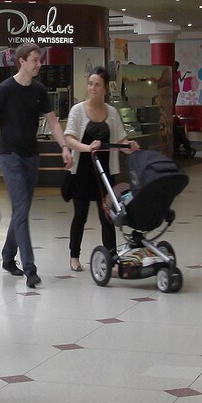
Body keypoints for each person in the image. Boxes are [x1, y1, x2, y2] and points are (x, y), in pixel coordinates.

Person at [0, 43, 76, 289]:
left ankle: (7, 256)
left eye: (39, 60)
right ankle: (30, 268)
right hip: (9, 155)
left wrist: (64, 146)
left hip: (31, 155)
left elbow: (54, 123)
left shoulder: (39, 90)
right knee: (22, 207)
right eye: (35, 60)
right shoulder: (5, 90)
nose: (39, 64)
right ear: (21, 61)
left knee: (21, 210)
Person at [63, 66, 128, 269]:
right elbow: (69, 138)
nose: (92, 88)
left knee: (107, 217)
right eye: (90, 84)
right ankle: (74, 256)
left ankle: (112, 259)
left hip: (105, 173)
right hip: (82, 171)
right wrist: (87, 148)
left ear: (105, 88)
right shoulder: (78, 110)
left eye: (97, 84)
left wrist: (130, 147)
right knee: (80, 216)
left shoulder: (112, 113)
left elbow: (121, 139)